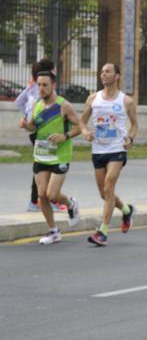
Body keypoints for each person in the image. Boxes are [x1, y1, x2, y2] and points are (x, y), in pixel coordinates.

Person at [79, 63, 138, 246]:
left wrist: (130, 138)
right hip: (98, 149)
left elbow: (134, 125)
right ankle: (126, 210)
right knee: (105, 193)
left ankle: (102, 232)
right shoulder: (93, 98)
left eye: (107, 71)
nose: (103, 74)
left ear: (117, 76)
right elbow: (82, 122)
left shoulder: (126, 101)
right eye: (102, 72)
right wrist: (85, 132)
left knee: (109, 184)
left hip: (117, 149)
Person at [22, 71, 83, 244]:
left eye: (45, 85)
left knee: (52, 195)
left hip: (60, 155)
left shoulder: (64, 105)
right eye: (39, 85)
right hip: (41, 155)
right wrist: (26, 125)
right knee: (42, 195)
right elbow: (33, 128)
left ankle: (71, 204)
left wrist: (64, 136)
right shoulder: (37, 105)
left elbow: (80, 126)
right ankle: (54, 231)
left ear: (53, 85)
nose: (41, 88)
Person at [16, 59, 60, 212]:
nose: (55, 71)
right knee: (45, 165)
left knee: (42, 164)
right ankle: (41, 201)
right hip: (41, 131)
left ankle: (37, 201)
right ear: (49, 71)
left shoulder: (32, 86)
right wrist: (32, 119)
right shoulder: (43, 89)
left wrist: (27, 116)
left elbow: (19, 101)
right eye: (54, 69)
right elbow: (44, 108)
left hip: (34, 131)